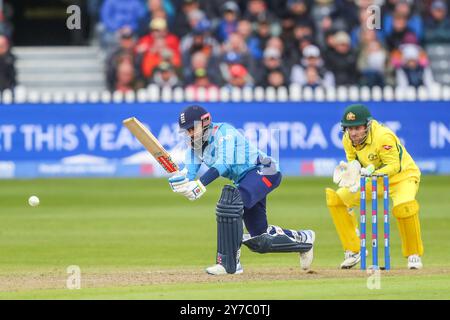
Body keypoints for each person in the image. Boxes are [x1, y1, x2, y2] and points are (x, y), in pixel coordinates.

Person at [168, 105, 316, 275]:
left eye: (192, 129)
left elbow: (224, 164)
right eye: (186, 131)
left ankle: (229, 263)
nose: (190, 134)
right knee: (260, 238)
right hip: (246, 179)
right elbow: (189, 172)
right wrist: (181, 183)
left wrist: (200, 185)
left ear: (205, 121)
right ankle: (304, 240)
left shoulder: (225, 133)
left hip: (266, 169)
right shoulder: (195, 146)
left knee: (231, 203)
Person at [326, 104, 424, 270]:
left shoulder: (383, 136)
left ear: (367, 125)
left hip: (402, 177)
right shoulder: (347, 139)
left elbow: (394, 166)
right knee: (337, 199)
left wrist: (368, 173)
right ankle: (354, 249)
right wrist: (353, 173)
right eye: (350, 128)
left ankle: (413, 254)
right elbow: (353, 160)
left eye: (357, 128)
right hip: (374, 179)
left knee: (404, 207)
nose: (354, 133)